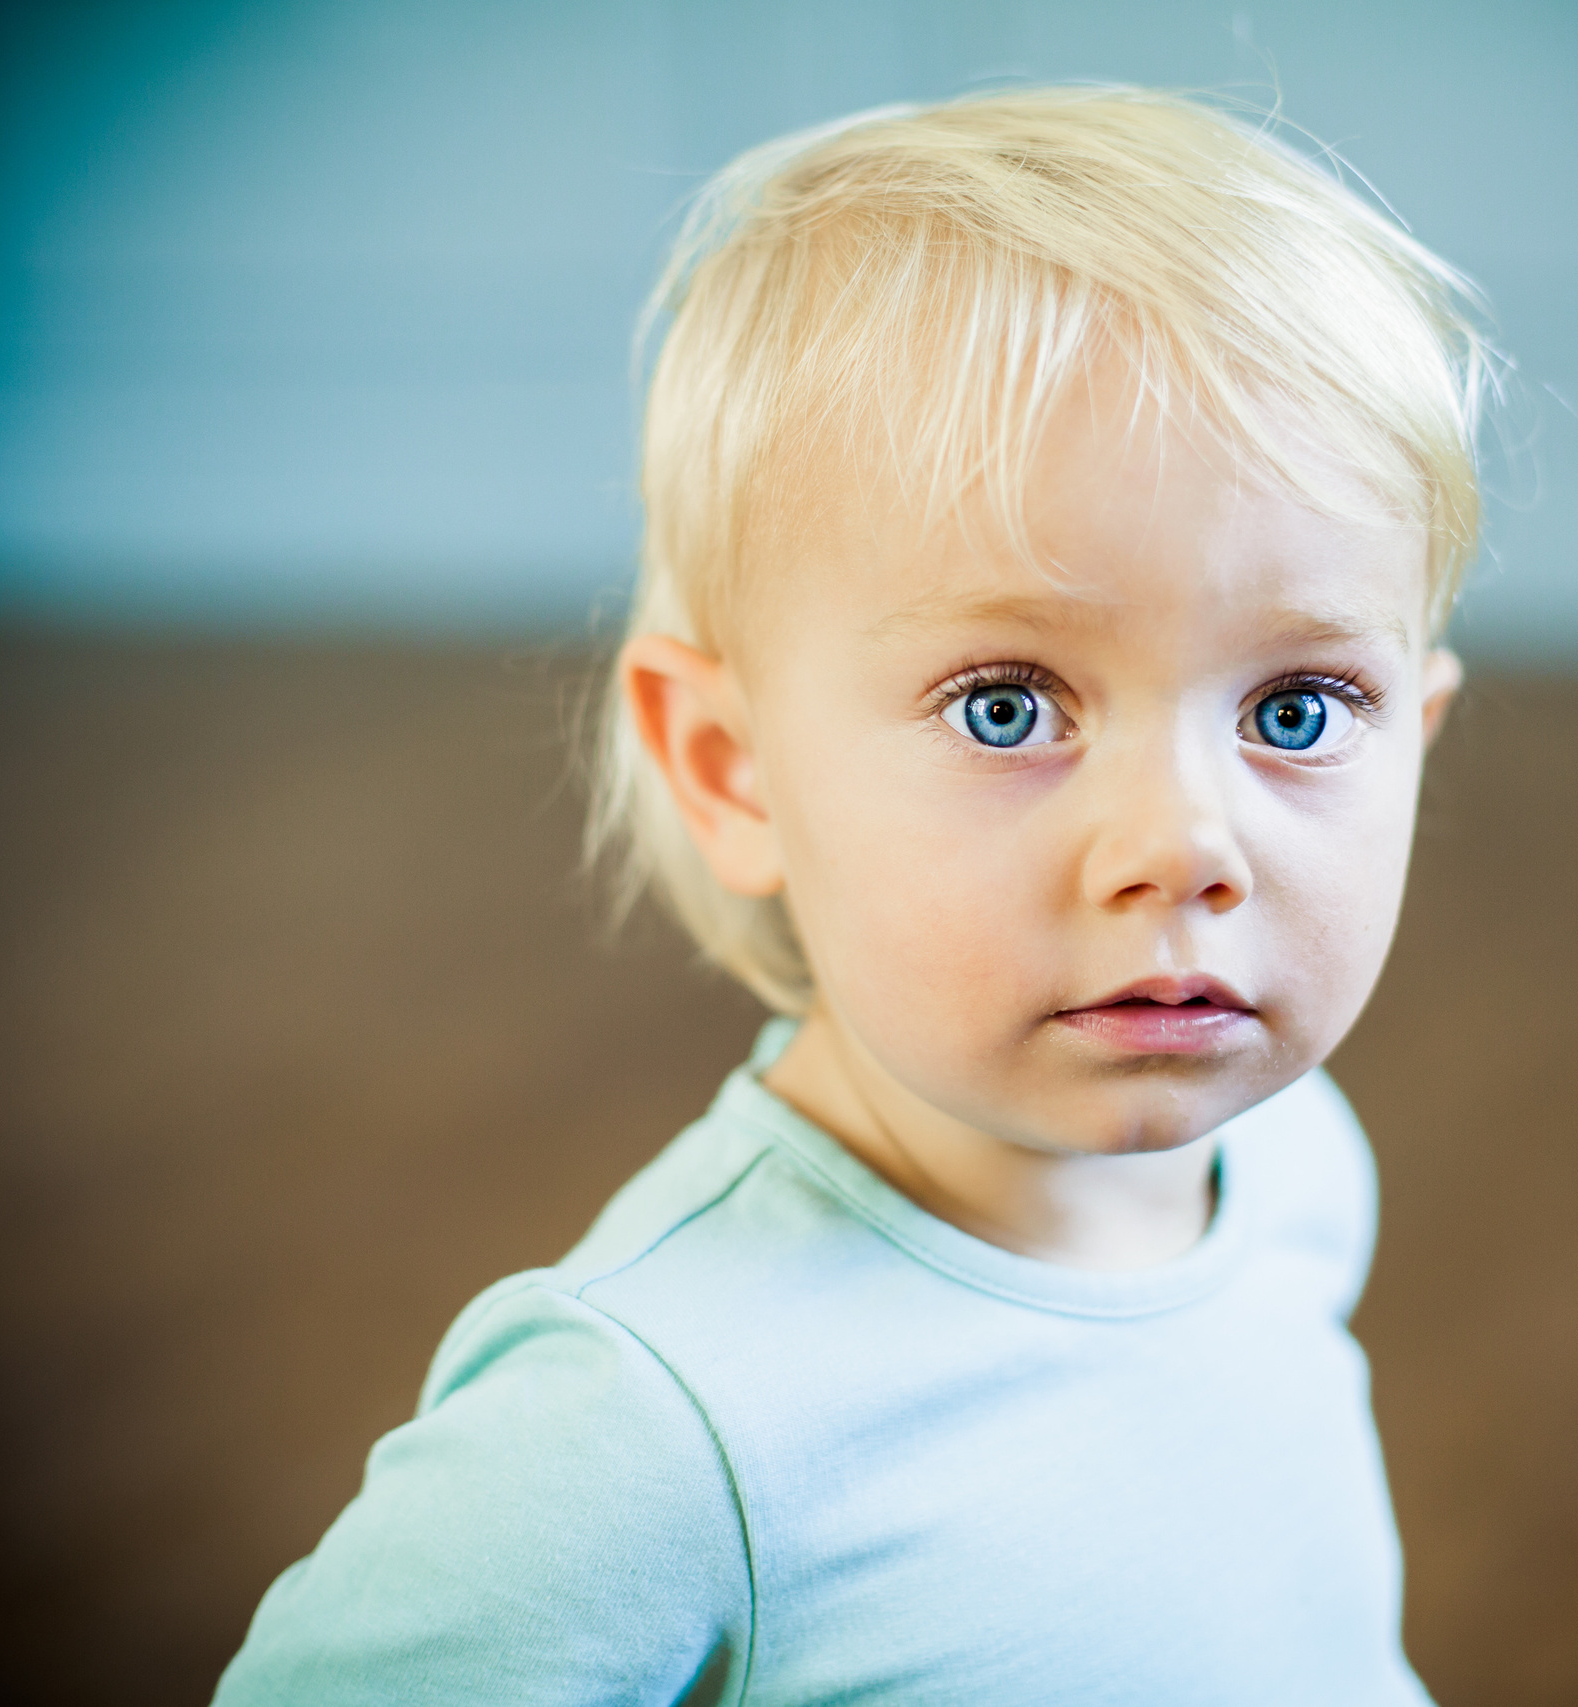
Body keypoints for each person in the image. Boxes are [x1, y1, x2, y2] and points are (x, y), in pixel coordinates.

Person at [215, 84, 1488, 1705]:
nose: (1185, 844)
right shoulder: (650, 1428)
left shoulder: (1292, 1169)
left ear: (1418, 739)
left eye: (1295, 711)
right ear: (737, 767)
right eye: (1008, 705)